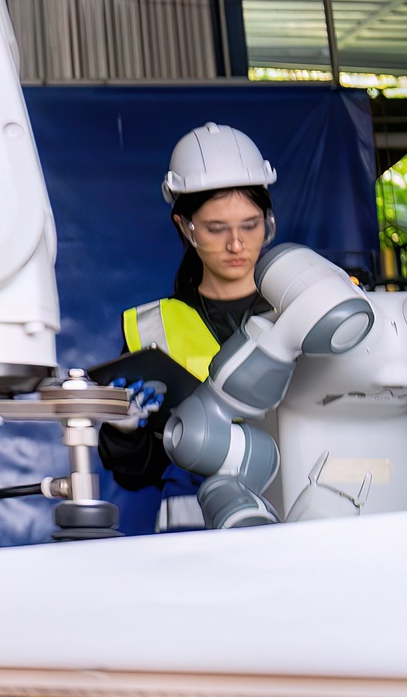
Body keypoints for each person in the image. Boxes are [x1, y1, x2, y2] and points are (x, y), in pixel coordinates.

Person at [99, 123, 277, 498]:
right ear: (186, 227)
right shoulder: (151, 329)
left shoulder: (305, 312)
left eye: (250, 225)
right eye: (216, 229)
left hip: (301, 521)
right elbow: (136, 475)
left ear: (269, 222)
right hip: (195, 535)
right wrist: (124, 431)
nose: (236, 244)